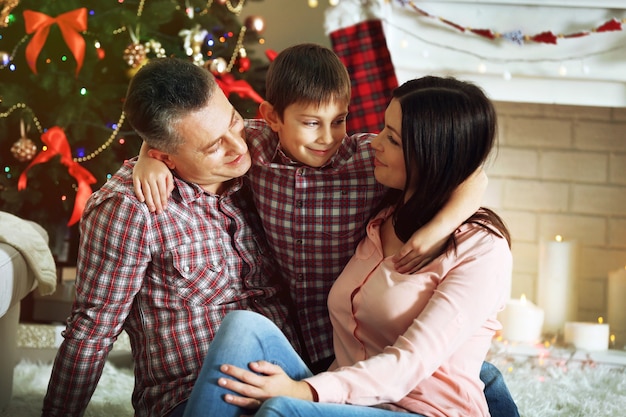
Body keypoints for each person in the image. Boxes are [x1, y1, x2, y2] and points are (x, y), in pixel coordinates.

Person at [133, 43, 487, 372]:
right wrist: (147, 155)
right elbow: (185, 131)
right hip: (291, 333)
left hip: (356, 331)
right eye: (311, 123)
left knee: (474, 374)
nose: (328, 137)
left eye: (338, 120)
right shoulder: (250, 145)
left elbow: (471, 176)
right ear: (272, 117)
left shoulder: (369, 158)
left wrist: (438, 228)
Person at [178, 75, 515, 417]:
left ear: (433, 155)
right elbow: (206, 132)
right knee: (242, 327)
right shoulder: (380, 218)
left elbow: (409, 364)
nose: (375, 144)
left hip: (421, 411)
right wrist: (152, 152)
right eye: (384, 129)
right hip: (348, 398)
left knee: (282, 410)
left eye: (393, 139)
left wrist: (304, 390)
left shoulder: (481, 250)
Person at [40, 58, 301, 417]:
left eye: (233, 120)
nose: (237, 147)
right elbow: (92, 331)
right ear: (166, 156)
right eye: (213, 147)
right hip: (190, 395)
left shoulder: (260, 150)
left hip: (293, 382)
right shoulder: (132, 208)